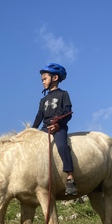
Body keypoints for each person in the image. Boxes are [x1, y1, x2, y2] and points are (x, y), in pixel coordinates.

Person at [32, 63, 77, 195]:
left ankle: (70, 178)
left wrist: (58, 125)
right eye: (42, 80)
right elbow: (39, 116)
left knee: (62, 146)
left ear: (55, 77)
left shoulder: (64, 94)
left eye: (44, 79)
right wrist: (32, 131)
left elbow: (68, 112)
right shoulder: (43, 99)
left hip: (59, 128)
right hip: (45, 128)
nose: (43, 82)